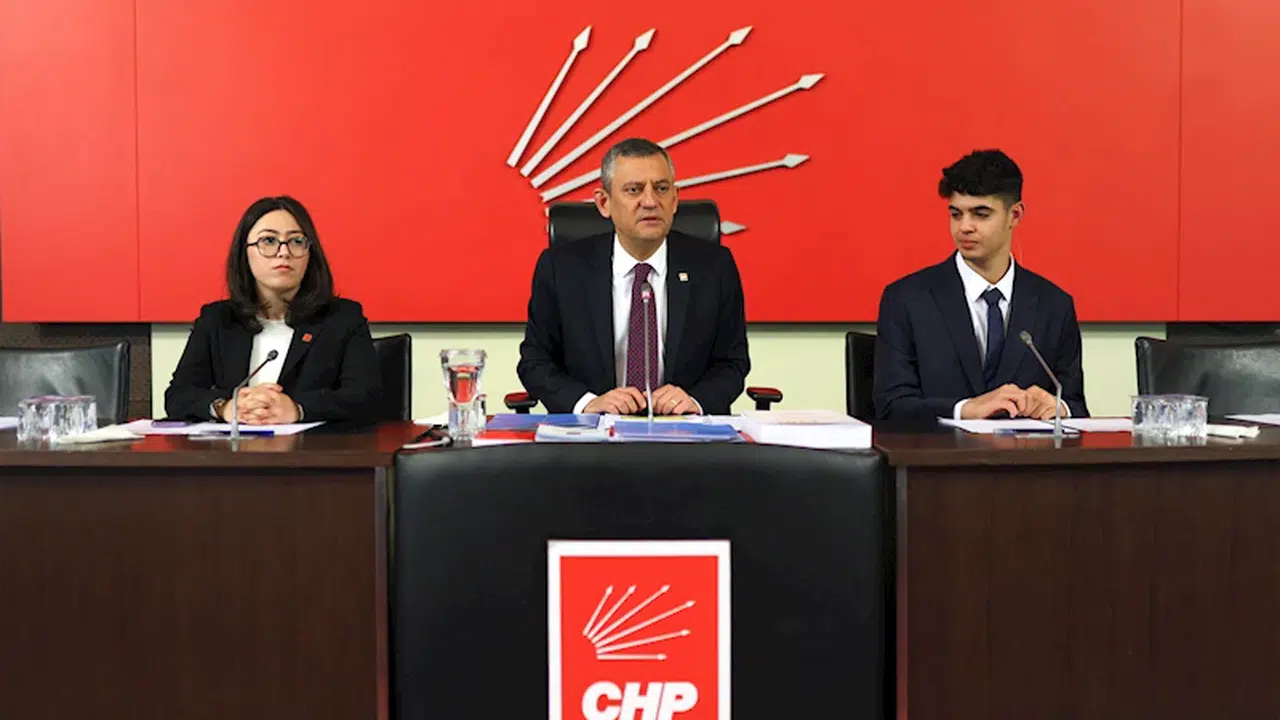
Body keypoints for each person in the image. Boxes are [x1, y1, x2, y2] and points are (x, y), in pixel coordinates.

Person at [517, 138, 750, 416]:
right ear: (604, 203)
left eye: (661, 189)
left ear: (675, 199)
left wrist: (695, 400)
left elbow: (732, 363)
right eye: (633, 190)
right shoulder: (562, 268)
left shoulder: (714, 266)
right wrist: (587, 403)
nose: (650, 202)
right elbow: (535, 362)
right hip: (594, 431)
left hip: (682, 429)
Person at [873, 149, 1088, 422]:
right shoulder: (907, 299)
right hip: (939, 448)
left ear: (1015, 215)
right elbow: (891, 407)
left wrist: (1059, 408)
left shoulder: (1054, 305)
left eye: (981, 214)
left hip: (1025, 449)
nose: (964, 227)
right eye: (956, 214)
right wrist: (965, 410)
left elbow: (1076, 405)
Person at [165, 196, 382, 424]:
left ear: (310, 254)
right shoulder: (217, 320)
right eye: (268, 240)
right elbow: (178, 396)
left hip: (313, 447)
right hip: (234, 446)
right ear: (244, 253)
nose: (284, 252)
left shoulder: (342, 319)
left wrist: (298, 409)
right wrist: (225, 408)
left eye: (296, 241)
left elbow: (366, 398)